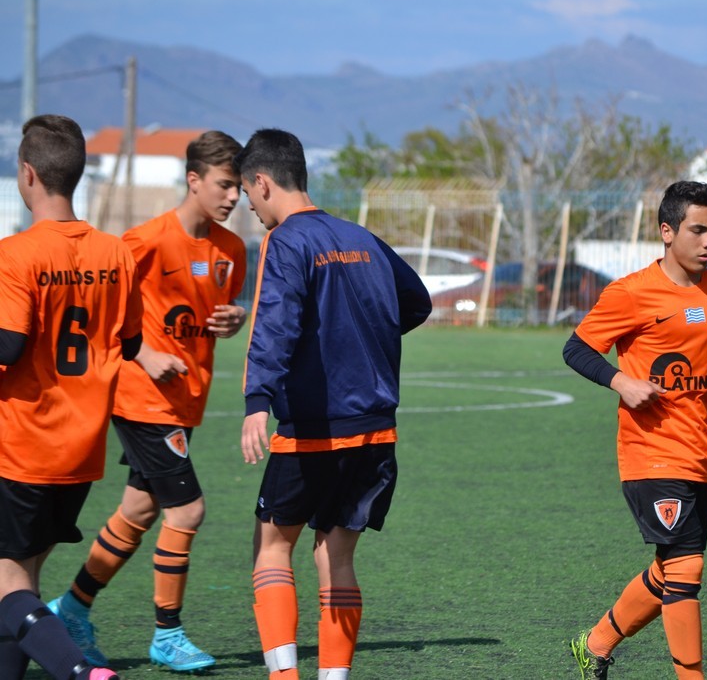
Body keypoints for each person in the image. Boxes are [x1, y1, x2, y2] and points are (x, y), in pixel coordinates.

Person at [47, 130, 249, 673]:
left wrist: (236, 318)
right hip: (143, 397)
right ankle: (167, 633)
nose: (233, 196)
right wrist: (142, 354)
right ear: (194, 179)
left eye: (238, 187)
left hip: (186, 397)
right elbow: (97, 308)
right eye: (224, 184)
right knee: (188, 510)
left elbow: (220, 310)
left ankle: (70, 608)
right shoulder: (145, 241)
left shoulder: (231, 249)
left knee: (138, 509)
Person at [236, 128, 432, 680]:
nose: (250, 207)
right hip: (376, 432)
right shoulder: (361, 237)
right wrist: (361, 335)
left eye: (248, 194)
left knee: (272, 547)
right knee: (335, 556)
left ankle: (284, 676)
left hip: (314, 430)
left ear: (263, 182)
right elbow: (416, 301)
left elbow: (275, 323)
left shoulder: (286, 241)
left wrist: (257, 399)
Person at [562, 180, 707, 680]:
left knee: (670, 568)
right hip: (649, 452)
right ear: (667, 232)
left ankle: (595, 644)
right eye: (698, 230)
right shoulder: (631, 292)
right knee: (687, 570)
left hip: (701, 451)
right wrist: (620, 381)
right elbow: (576, 348)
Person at [0, 114, 143, 680]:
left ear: (27, 173)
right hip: (81, 449)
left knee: (7, 581)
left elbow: (8, 346)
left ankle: (79, 672)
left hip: (23, 443)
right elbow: (131, 343)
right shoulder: (116, 252)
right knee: (23, 577)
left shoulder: (16, 254)